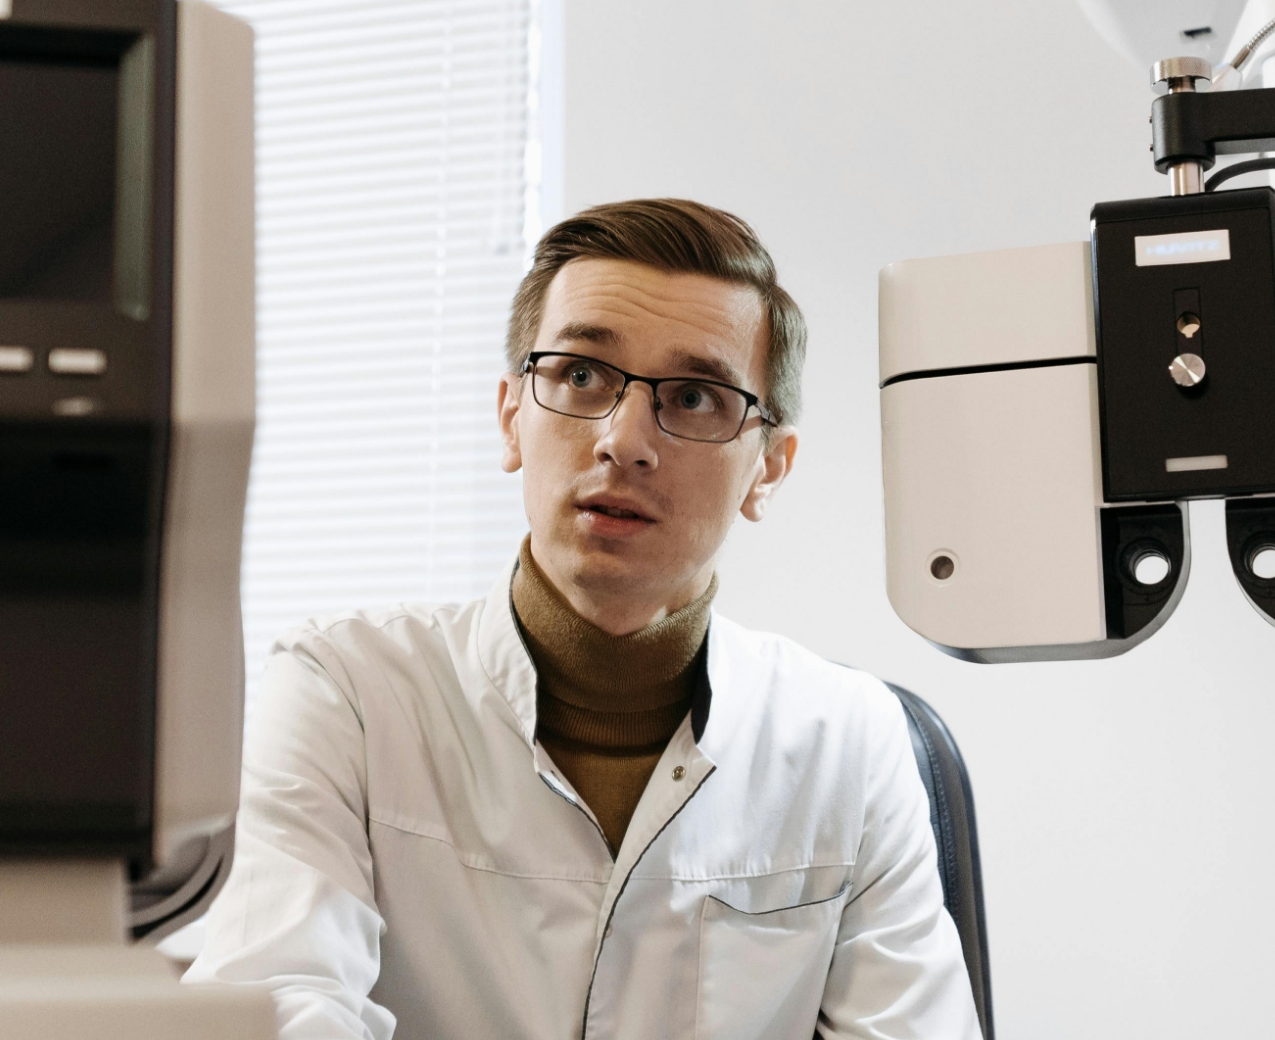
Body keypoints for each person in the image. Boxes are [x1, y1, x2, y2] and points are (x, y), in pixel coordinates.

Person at [186, 199, 981, 1039]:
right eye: (579, 376)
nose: (623, 439)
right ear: (510, 417)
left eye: (694, 396)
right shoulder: (344, 689)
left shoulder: (848, 739)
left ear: (767, 470)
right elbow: (272, 1007)